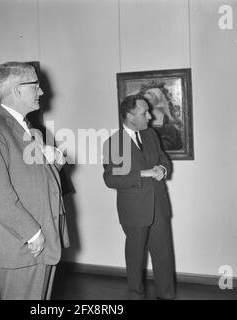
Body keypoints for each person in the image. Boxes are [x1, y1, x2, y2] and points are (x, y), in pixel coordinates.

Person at [0, 61, 69, 300]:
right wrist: (32, 233)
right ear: (17, 90)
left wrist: (55, 158)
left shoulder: (25, 127)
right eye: (35, 86)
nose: (41, 91)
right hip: (24, 244)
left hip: (42, 238)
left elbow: (35, 178)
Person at [102, 94, 175, 300]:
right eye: (144, 113)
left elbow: (165, 161)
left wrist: (161, 168)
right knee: (135, 258)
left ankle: (167, 296)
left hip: (159, 207)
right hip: (134, 211)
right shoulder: (114, 143)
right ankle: (135, 296)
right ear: (129, 116)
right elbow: (110, 179)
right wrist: (144, 173)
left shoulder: (151, 135)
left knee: (164, 257)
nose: (150, 116)